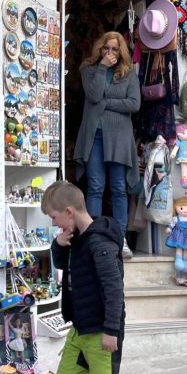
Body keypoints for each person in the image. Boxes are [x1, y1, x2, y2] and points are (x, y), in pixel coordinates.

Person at [41, 180, 124, 374]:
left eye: (53, 218)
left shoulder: (100, 243)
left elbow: (114, 288)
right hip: (80, 326)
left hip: (102, 331)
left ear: (68, 211)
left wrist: (111, 331)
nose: (53, 224)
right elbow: (67, 269)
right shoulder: (77, 238)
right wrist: (58, 245)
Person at [74, 31, 140, 259]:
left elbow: (134, 103)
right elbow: (93, 96)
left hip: (120, 138)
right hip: (95, 136)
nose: (110, 53)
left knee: (119, 189)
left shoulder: (129, 73)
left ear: (121, 51)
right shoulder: (88, 69)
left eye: (114, 49)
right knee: (95, 187)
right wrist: (102, 67)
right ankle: (94, 239)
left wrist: (106, 103)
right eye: (106, 48)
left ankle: (120, 240)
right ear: (99, 49)